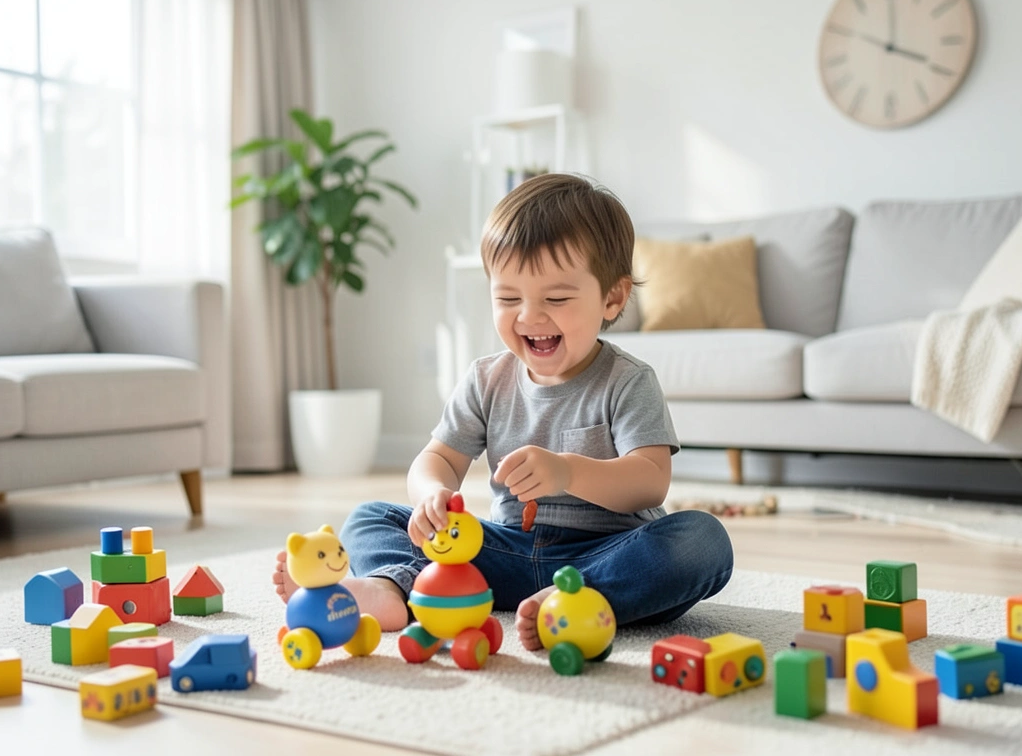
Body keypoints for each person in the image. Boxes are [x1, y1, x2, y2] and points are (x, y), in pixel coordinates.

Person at [273, 173, 734, 649]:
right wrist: (432, 493)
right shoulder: (486, 378)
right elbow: (439, 459)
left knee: (701, 541)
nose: (529, 316)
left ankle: (575, 600)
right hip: (501, 553)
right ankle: (394, 588)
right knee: (371, 517)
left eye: (556, 298)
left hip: (605, 553)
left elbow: (650, 479)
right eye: (508, 298)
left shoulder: (628, 380)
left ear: (612, 299)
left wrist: (568, 472)